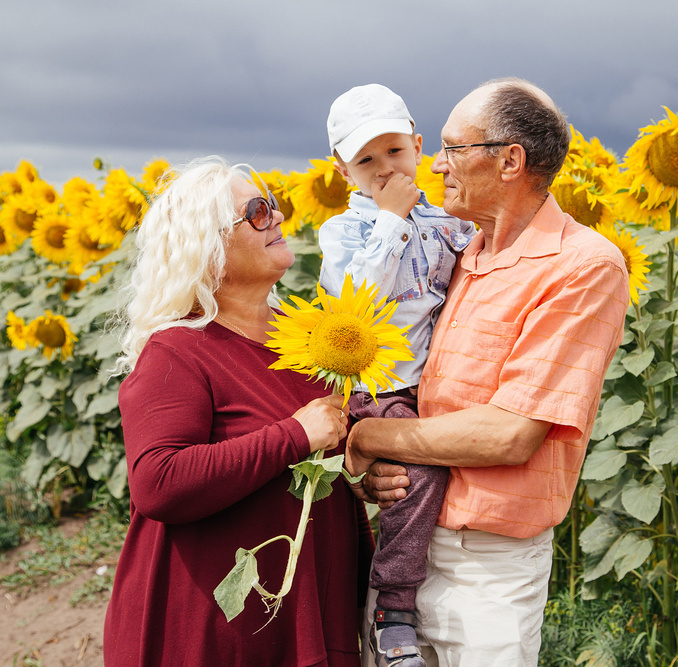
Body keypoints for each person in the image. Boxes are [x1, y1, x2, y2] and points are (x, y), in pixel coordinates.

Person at [345, 78, 630, 666]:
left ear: (509, 161)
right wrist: (371, 475)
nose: (437, 165)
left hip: (488, 572)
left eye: (453, 148)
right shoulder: (457, 252)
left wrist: (367, 437)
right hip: (403, 544)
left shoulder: (582, 265)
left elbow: (509, 433)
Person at [104, 157, 374, 667]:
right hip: (212, 631)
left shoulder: (308, 340)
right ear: (207, 248)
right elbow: (158, 482)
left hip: (306, 614)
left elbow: (324, 471)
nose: (277, 217)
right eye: (256, 212)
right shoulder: (178, 352)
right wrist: (294, 436)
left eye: (272, 205)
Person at [318, 83, 475, 667]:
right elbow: (354, 304)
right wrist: (391, 220)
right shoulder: (344, 233)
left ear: (418, 146)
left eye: (394, 151)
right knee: (419, 476)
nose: (385, 169)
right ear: (343, 171)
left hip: (433, 381)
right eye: (366, 160)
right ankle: (393, 607)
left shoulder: (449, 222)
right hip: (379, 385)